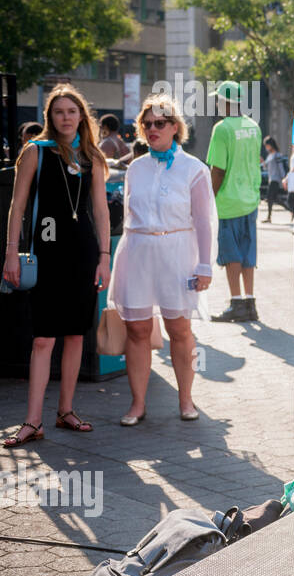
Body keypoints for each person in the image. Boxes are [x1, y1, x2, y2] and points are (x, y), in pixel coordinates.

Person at [3, 85, 110, 446]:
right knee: (44, 338)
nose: (66, 117)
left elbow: (100, 210)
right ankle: (33, 421)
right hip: (46, 258)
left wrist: (104, 257)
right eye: (59, 111)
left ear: (82, 116)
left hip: (82, 256)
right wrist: (10, 254)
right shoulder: (35, 152)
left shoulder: (92, 157)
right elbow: (16, 208)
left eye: (72, 111)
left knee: (77, 334)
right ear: (50, 117)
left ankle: (65, 411)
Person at [108, 95, 216, 426]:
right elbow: (128, 216)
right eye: (147, 124)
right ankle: (137, 404)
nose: (153, 129)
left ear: (174, 127)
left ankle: (186, 400)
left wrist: (205, 265)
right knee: (137, 330)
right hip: (138, 252)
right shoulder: (135, 169)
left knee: (179, 329)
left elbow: (205, 220)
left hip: (177, 254)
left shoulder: (194, 169)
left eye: (160, 123)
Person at [206, 81, 262, 323]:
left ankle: (236, 303)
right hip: (251, 199)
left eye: (218, 99)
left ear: (225, 102)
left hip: (228, 202)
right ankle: (250, 303)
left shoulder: (222, 129)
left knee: (232, 255)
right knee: (248, 253)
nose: (217, 103)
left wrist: (208, 199)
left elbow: (217, 169)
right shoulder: (254, 126)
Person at [260, 136, 287, 223]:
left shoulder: (277, 155)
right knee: (275, 199)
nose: (266, 147)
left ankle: (269, 217)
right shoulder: (269, 156)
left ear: (271, 145)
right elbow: (267, 168)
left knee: (270, 197)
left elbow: (281, 168)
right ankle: (292, 211)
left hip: (276, 180)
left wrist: (284, 179)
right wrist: (263, 162)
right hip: (271, 179)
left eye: (267, 145)